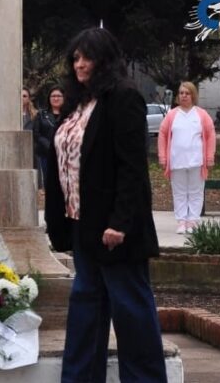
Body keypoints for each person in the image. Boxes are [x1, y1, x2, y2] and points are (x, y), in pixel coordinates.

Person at [44, 27, 166, 382]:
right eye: (76, 58)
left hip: (115, 230)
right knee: (86, 311)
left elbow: (132, 170)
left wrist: (120, 223)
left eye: (87, 57)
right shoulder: (78, 103)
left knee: (131, 312)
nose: (79, 65)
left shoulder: (123, 98)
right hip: (82, 225)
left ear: (105, 60)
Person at [158, 82, 216, 234]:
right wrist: (163, 158)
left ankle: (193, 221)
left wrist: (209, 158)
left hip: (197, 161)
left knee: (196, 192)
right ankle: (182, 221)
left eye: (187, 93)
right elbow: (163, 135)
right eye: (181, 93)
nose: (183, 96)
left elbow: (210, 135)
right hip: (177, 161)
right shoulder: (172, 115)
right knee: (179, 192)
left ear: (193, 95)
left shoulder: (201, 115)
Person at [32, 85, 64, 187]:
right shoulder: (41, 114)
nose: (56, 98)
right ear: (49, 98)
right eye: (53, 96)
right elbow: (36, 134)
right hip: (46, 154)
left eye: (59, 96)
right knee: (49, 182)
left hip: (64, 153)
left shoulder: (69, 114)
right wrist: (49, 145)